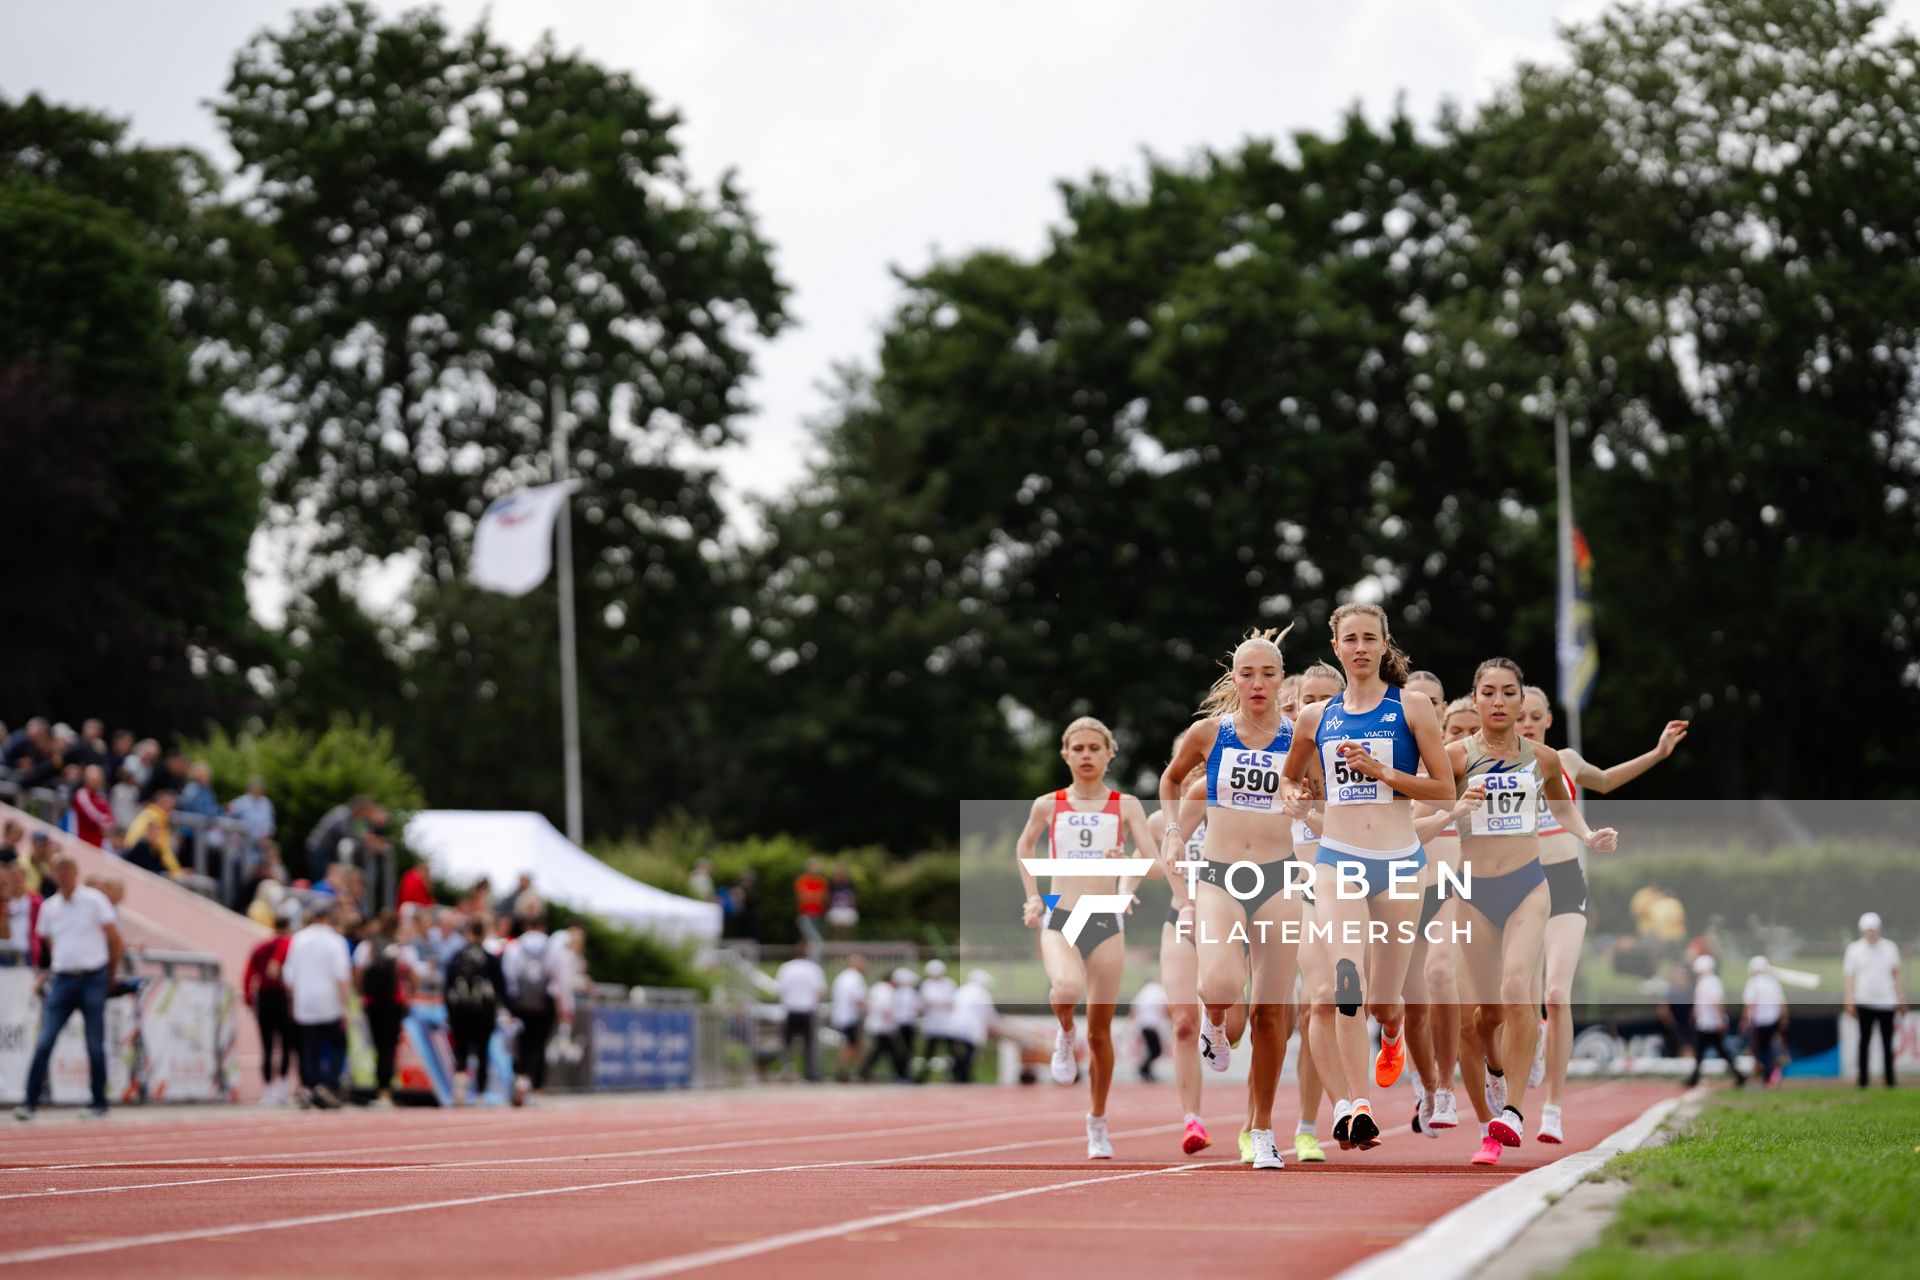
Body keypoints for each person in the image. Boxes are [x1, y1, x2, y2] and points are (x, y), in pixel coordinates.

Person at [1279, 603, 1452, 1153]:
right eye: (1349, 638)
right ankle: (1356, 1105)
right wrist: (1296, 796)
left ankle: (1394, 1033)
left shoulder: (1412, 706)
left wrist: (1384, 774)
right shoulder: (1316, 717)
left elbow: (1443, 789)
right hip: (1338, 860)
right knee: (1344, 979)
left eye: (1369, 638)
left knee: (1384, 1000)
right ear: (1336, 646)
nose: (1359, 647)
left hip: (1401, 862)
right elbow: (1288, 779)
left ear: (1383, 645)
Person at [1440, 657, 1617, 1164]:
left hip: (1526, 887)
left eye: (1508, 693)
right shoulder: (1454, 757)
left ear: (1522, 703)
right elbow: (1419, 807)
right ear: (1475, 699)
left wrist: (1588, 836)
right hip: (1472, 891)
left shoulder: (1543, 759)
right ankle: (1498, 1073)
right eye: (1489, 692)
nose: (1498, 702)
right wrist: (1453, 810)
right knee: (1486, 1014)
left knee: (1518, 988)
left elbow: (1562, 807)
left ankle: (1512, 1113)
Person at [1517, 686, 1688, 1141]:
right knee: (1520, 996)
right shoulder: (1495, 762)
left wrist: (1657, 752)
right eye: (1520, 717)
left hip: (1566, 884)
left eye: (1536, 716)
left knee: (1557, 993)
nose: (1528, 724)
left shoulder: (1566, 761)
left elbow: (1608, 780)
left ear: (1549, 720)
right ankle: (1528, 1042)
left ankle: (1553, 1107)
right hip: (1517, 886)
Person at [1158, 629, 1302, 1169]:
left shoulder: (1299, 736)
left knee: (1271, 1014)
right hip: (1219, 876)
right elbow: (1171, 783)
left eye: (1268, 673)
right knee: (1217, 984)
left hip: (1281, 878)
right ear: (1234, 679)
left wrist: (1305, 805)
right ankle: (1215, 1024)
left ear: (1281, 679)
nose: (1258, 682)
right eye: (1247, 673)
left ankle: (1261, 1128)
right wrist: (1173, 832)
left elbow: (1318, 796)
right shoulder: (1210, 733)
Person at [1017, 715, 1154, 1159]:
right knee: (1067, 988)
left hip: (1104, 918)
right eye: (1078, 748)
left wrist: (1124, 880)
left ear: (1109, 753)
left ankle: (1097, 1121)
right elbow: (1024, 848)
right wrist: (1033, 897)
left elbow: (1150, 862)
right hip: (1061, 912)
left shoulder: (1126, 805)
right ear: (1065, 754)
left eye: (1095, 748)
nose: (1087, 755)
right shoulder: (1048, 804)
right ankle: (1062, 1031)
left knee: (1100, 1035)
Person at [13, 853, 123, 1120]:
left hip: (92, 978)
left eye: (66, 871)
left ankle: (99, 1102)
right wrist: (58, 965)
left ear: (75, 872)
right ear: (53, 874)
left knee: (94, 1043)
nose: (62, 876)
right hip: (62, 979)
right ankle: (29, 1102)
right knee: (44, 1040)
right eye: (57, 872)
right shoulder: (50, 907)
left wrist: (109, 975)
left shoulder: (95, 900)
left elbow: (115, 940)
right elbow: (49, 943)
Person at [284, 901, 353, 1108]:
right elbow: (341, 975)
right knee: (338, 1045)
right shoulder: (336, 941)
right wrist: (345, 1006)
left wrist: (293, 1000)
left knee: (308, 1049)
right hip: (329, 1002)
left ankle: (311, 1087)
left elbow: (289, 975)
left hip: (305, 1002)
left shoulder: (298, 939)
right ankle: (329, 1083)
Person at [503, 910, 571, 1104]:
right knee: (539, 1046)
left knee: (521, 1044)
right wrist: (564, 1007)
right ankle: (537, 1087)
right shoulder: (551, 946)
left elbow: (509, 976)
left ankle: (520, 1080)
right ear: (543, 926)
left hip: (521, 1003)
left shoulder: (515, 946)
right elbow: (560, 978)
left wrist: (511, 1004)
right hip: (544, 1003)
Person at [355, 910, 414, 1107]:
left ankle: (381, 1088)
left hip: (373, 1002)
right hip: (393, 1002)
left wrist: (363, 994)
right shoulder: (402, 948)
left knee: (379, 1047)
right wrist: (409, 997)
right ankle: (385, 1092)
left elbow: (357, 972)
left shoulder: (367, 946)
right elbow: (414, 975)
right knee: (389, 1047)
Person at [444, 916, 505, 1105]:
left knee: (460, 1050)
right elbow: (501, 987)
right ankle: (479, 1093)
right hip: (483, 1012)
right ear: (484, 934)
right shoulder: (490, 958)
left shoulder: (456, 956)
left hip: (459, 1011)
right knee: (482, 1051)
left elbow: (447, 986)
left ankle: (460, 1083)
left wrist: (449, 1010)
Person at [244, 909, 299, 1105]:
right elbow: (276, 969)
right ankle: (282, 1089)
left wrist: (249, 999)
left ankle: (268, 1091)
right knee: (285, 1044)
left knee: (266, 1046)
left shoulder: (260, 947)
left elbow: (248, 974)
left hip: (264, 998)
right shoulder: (287, 944)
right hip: (282, 997)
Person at [1844, 911, 1905, 1088]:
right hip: (1864, 1001)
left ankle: (1890, 1080)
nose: (1870, 933)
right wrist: (1849, 1001)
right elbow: (1850, 978)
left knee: (1887, 1043)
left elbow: (1895, 977)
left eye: (1873, 929)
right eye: (1867, 930)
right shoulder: (1854, 950)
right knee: (1864, 1042)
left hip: (1887, 1002)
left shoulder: (1890, 948)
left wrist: (1900, 999)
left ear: (1879, 929)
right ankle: (1863, 1080)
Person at [1685, 954, 1747, 1088]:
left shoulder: (1711, 982)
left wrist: (1720, 1020)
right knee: (1710, 1051)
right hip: (1705, 1023)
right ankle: (1738, 1075)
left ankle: (1739, 1075)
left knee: (1712, 1051)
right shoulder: (1704, 982)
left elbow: (1716, 1003)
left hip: (1710, 1024)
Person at [774, 944, 829, 1082]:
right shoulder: (813, 969)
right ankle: (810, 1074)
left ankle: (787, 1070)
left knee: (787, 1044)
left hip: (791, 1009)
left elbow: (780, 990)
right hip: (808, 1010)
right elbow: (820, 991)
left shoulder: (786, 968)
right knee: (810, 1045)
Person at [1742, 956, 1789, 1088]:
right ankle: (1770, 1073)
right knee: (1769, 1048)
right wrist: (1784, 1019)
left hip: (1760, 1021)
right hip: (1773, 1020)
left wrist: (1745, 1020)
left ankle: (1769, 1073)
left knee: (1759, 1050)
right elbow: (1782, 1003)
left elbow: (1750, 1005)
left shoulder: (1753, 982)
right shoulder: (1773, 982)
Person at [951, 969, 1000, 1083]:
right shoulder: (982, 993)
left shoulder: (962, 990)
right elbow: (989, 1013)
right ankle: (964, 1076)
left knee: (958, 1052)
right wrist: (997, 1024)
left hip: (956, 1025)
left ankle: (957, 1075)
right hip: (970, 1026)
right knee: (968, 1053)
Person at [916, 959, 958, 1081]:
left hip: (947, 1024)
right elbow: (922, 1003)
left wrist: (934, 1003)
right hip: (932, 1024)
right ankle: (923, 1076)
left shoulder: (949, 984)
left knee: (951, 1052)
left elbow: (951, 1002)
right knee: (928, 1051)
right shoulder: (926, 984)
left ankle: (954, 1075)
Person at [830, 955, 869, 1082]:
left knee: (855, 1044)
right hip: (850, 1016)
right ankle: (843, 1072)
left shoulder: (843, 977)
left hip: (841, 1015)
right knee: (850, 1045)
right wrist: (867, 1011)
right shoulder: (855, 978)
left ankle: (862, 1070)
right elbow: (857, 999)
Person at [69, 765, 116, 849]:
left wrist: (106, 823)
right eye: (94, 779)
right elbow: (92, 815)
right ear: (86, 779)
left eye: (98, 778)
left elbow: (111, 821)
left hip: (98, 846)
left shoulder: (101, 797)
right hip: (81, 842)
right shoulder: (81, 795)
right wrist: (104, 822)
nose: (96, 782)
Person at [1132, 977, 1169, 1081]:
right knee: (1156, 1050)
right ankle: (1144, 1068)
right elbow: (1164, 1007)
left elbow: (1135, 1008)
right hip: (1152, 1025)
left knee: (1152, 1050)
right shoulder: (1158, 991)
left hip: (1143, 1025)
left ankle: (1145, 1069)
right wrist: (1167, 1021)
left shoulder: (1143, 992)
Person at [793, 859, 829, 944]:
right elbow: (801, 897)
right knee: (807, 937)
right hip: (804, 914)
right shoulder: (802, 880)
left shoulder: (822, 881)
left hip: (818, 914)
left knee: (815, 936)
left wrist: (810, 895)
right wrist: (815, 896)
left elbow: (823, 897)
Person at [826, 861, 859, 937]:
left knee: (853, 917)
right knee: (832, 918)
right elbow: (827, 898)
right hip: (835, 909)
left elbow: (853, 899)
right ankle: (833, 940)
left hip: (847, 909)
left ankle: (850, 943)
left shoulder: (850, 884)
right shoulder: (831, 885)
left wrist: (853, 906)